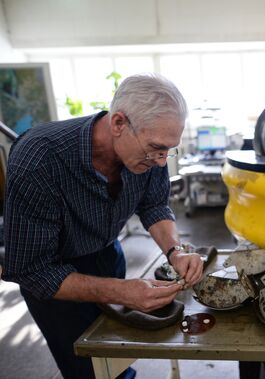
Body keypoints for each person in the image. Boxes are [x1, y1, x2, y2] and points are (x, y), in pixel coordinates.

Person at [2, 73, 204, 379]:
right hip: (54, 277)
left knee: (117, 353)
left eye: (168, 150)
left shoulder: (149, 155)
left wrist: (176, 250)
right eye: (156, 148)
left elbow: (153, 205)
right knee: (87, 368)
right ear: (119, 123)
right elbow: (31, 269)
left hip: (108, 255)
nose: (162, 162)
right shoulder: (40, 158)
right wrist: (122, 292)